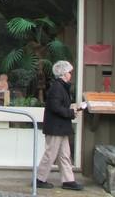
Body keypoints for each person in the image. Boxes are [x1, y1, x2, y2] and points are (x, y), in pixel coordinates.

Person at [35, 60, 85, 191]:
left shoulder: (61, 87)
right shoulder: (57, 87)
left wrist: (73, 108)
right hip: (55, 128)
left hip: (61, 128)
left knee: (64, 155)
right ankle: (40, 179)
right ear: (63, 73)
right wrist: (71, 112)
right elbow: (55, 107)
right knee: (50, 154)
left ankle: (68, 181)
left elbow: (59, 106)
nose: (71, 74)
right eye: (69, 72)